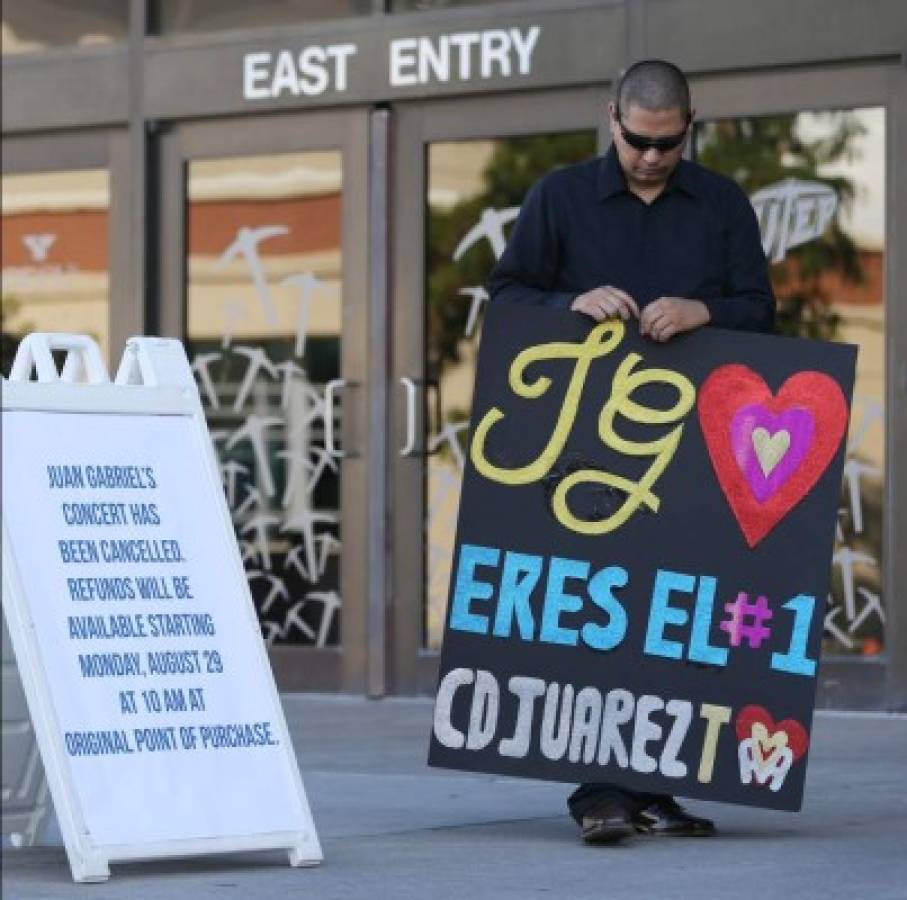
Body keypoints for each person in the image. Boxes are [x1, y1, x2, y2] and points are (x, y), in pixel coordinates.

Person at [487, 59, 776, 845]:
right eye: (637, 141)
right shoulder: (560, 196)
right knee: (598, 606)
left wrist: (702, 309)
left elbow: (761, 311)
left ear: (690, 125)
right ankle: (598, 793)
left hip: (694, 436)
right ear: (611, 117)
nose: (650, 157)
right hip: (588, 441)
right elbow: (506, 297)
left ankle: (658, 786)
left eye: (667, 143)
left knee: (681, 608)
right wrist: (565, 302)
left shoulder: (721, 204)